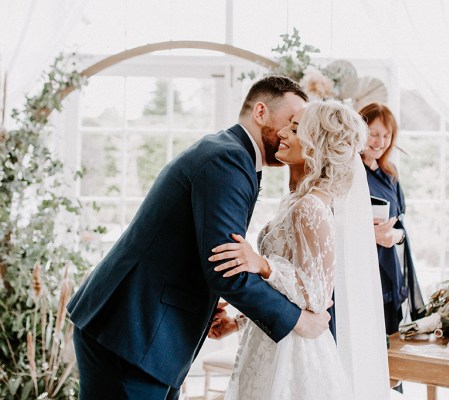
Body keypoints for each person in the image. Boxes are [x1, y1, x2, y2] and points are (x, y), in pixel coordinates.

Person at [66, 76, 334, 400]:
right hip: (132, 332)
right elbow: (223, 266)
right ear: (261, 112)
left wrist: (207, 306)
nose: (296, 131)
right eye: (291, 121)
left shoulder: (230, 154)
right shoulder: (229, 160)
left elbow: (202, 252)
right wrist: (297, 322)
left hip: (141, 328)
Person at [209, 100, 391, 400]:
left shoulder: (311, 207)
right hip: (275, 337)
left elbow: (317, 296)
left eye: (294, 129)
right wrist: (238, 322)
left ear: (315, 145)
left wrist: (263, 265)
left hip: (294, 355)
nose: (281, 132)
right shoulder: (296, 201)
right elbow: (290, 293)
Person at [358, 102, 425, 335]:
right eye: (374, 134)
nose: (380, 142)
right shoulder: (347, 172)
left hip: (389, 271)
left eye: (387, 135)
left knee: (390, 342)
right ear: (359, 131)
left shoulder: (390, 174)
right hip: (360, 271)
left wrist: (393, 235)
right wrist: (368, 234)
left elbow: (401, 226)